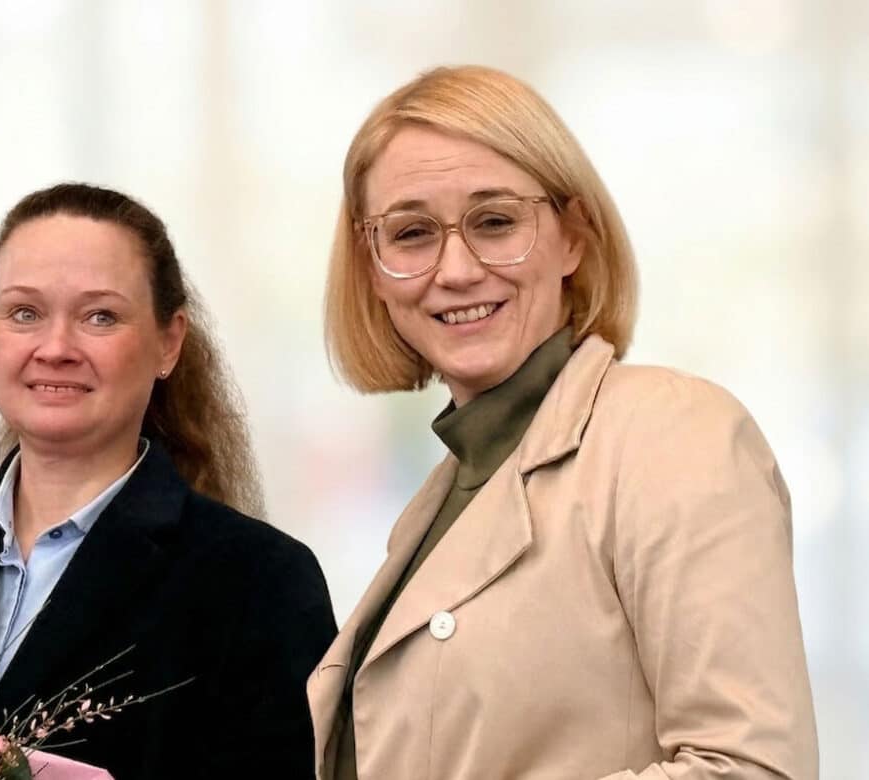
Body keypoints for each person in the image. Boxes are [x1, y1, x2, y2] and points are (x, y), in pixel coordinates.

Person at [309, 66, 818, 779]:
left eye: (494, 222)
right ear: (372, 268)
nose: (455, 269)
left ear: (573, 238)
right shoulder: (449, 491)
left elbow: (751, 767)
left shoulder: (675, 434)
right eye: (413, 233)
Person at [0, 183, 337, 780]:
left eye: (100, 316)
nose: (55, 347)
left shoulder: (261, 585)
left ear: (169, 342)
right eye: (25, 313)